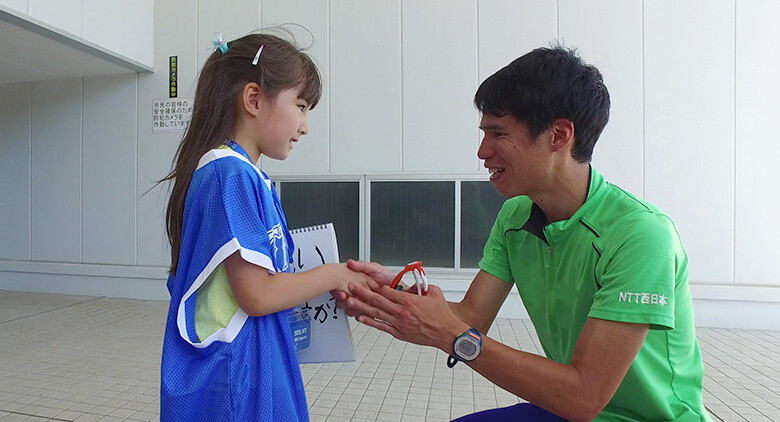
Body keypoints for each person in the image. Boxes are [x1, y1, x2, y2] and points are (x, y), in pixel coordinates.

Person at [337, 46, 711, 421]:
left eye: (498, 133)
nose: (482, 151)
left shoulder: (641, 235)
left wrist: (452, 336)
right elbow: (470, 318)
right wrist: (395, 291)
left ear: (559, 136)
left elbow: (583, 397)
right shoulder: (516, 214)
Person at [158, 32, 374, 421]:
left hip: (251, 366)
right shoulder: (230, 173)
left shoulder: (244, 173)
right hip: (238, 379)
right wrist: (334, 273)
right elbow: (256, 294)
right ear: (254, 99)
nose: (305, 126)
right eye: (301, 106)